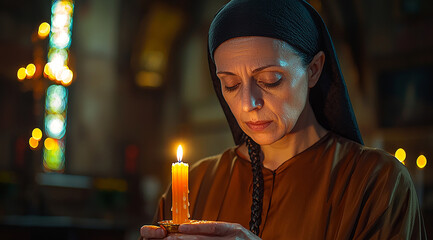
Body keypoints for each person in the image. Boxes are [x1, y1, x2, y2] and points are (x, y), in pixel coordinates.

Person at [140, 0, 427, 239]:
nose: (248, 103)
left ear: (314, 70)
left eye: (270, 80)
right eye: (230, 84)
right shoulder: (197, 182)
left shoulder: (376, 182)